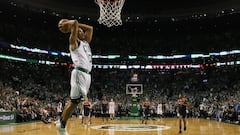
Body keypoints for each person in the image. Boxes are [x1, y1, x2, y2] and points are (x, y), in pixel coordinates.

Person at [56, 19, 93, 130]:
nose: (82, 32)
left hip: (87, 75)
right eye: (80, 31)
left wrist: (73, 25)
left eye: (82, 31)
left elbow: (90, 28)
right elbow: (75, 22)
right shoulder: (73, 41)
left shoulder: (85, 43)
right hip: (79, 73)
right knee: (75, 102)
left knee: (74, 102)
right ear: (75, 32)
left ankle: (61, 122)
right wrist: (69, 24)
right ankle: (62, 125)